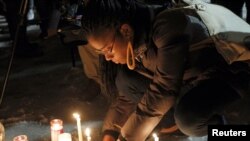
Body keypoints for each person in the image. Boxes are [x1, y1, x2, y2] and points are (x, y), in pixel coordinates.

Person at [81, 0, 250, 141]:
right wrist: (110, 132)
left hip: (228, 72)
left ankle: (225, 129)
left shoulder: (167, 26)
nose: (107, 57)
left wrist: (127, 138)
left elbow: (164, 89)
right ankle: (175, 123)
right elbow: (126, 96)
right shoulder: (137, 41)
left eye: (108, 49)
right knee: (125, 80)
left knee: (188, 119)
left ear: (125, 31)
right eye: (101, 53)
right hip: (188, 78)